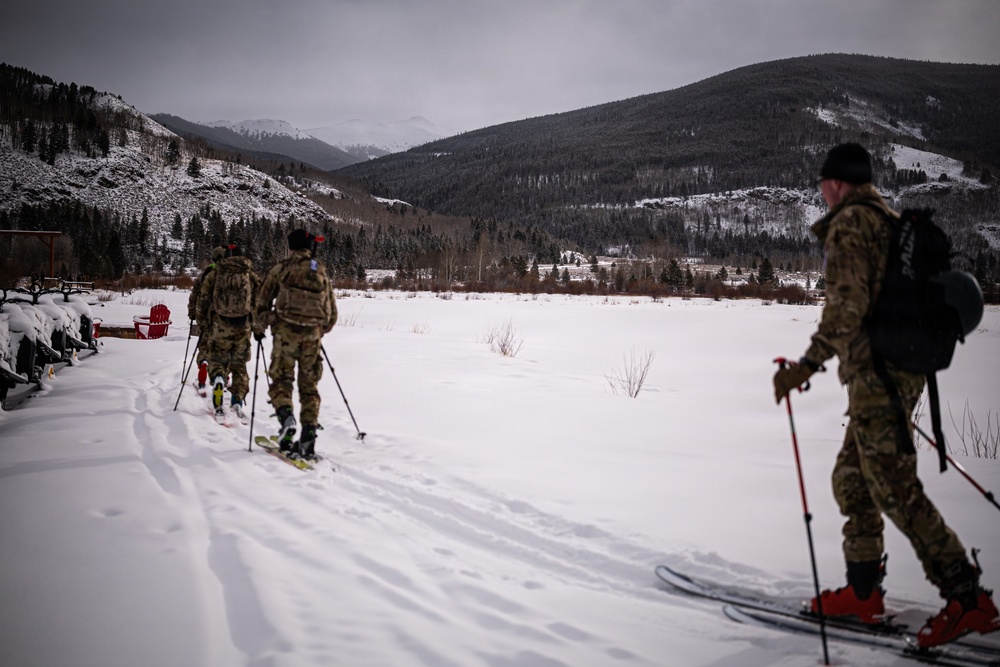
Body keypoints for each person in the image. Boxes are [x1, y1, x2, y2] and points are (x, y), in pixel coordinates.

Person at [772, 143, 998, 648]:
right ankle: (862, 592)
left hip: (880, 378)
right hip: (888, 376)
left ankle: (968, 599)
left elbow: (846, 309)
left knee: (895, 490)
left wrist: (806, 365)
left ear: (837, 183)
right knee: (853, 481)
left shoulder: (854, 223)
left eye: (823, 185)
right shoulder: (885, 219)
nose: (821, 194)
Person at [253, 229, 337, 458]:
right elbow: (331, 317)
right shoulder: (319, 270)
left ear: (290, 247)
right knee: (309, 386)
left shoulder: (281, 269)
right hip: (312, 339)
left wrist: (270, 322)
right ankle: (309, 435)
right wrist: (317, 329)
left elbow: (261, 305)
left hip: (285, 335)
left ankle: (286, 418)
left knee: (281, 379)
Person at [197, 242, 259, 421]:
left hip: (219, 325)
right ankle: (237, 399)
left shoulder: (215, 274)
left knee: (218, 359)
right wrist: (256, 324)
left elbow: (203, 299)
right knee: (239, 364)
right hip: (243, 327)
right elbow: (260, 299)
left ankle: (218, 379)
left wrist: (204, 323)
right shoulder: (249, 274)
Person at [188, 246, 226, 390]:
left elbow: (195, 295)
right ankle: (222, 376)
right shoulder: (229, 274)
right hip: (225, 318)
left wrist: (192, 312)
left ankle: (203, 365)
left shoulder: (205, 274)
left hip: (205, 316)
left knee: (204, 345)